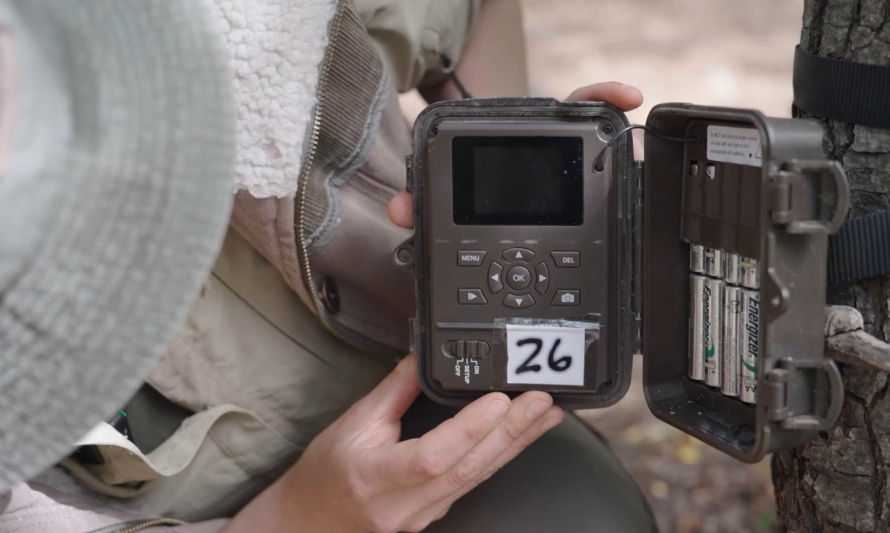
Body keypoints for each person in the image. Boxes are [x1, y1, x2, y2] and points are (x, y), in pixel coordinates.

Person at [1, 1, 656, 531]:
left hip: (421, 372)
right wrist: (301, 517)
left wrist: (514, 154)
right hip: (203, 507)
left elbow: (474, 10)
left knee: (579, 514)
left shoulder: (243, 21)